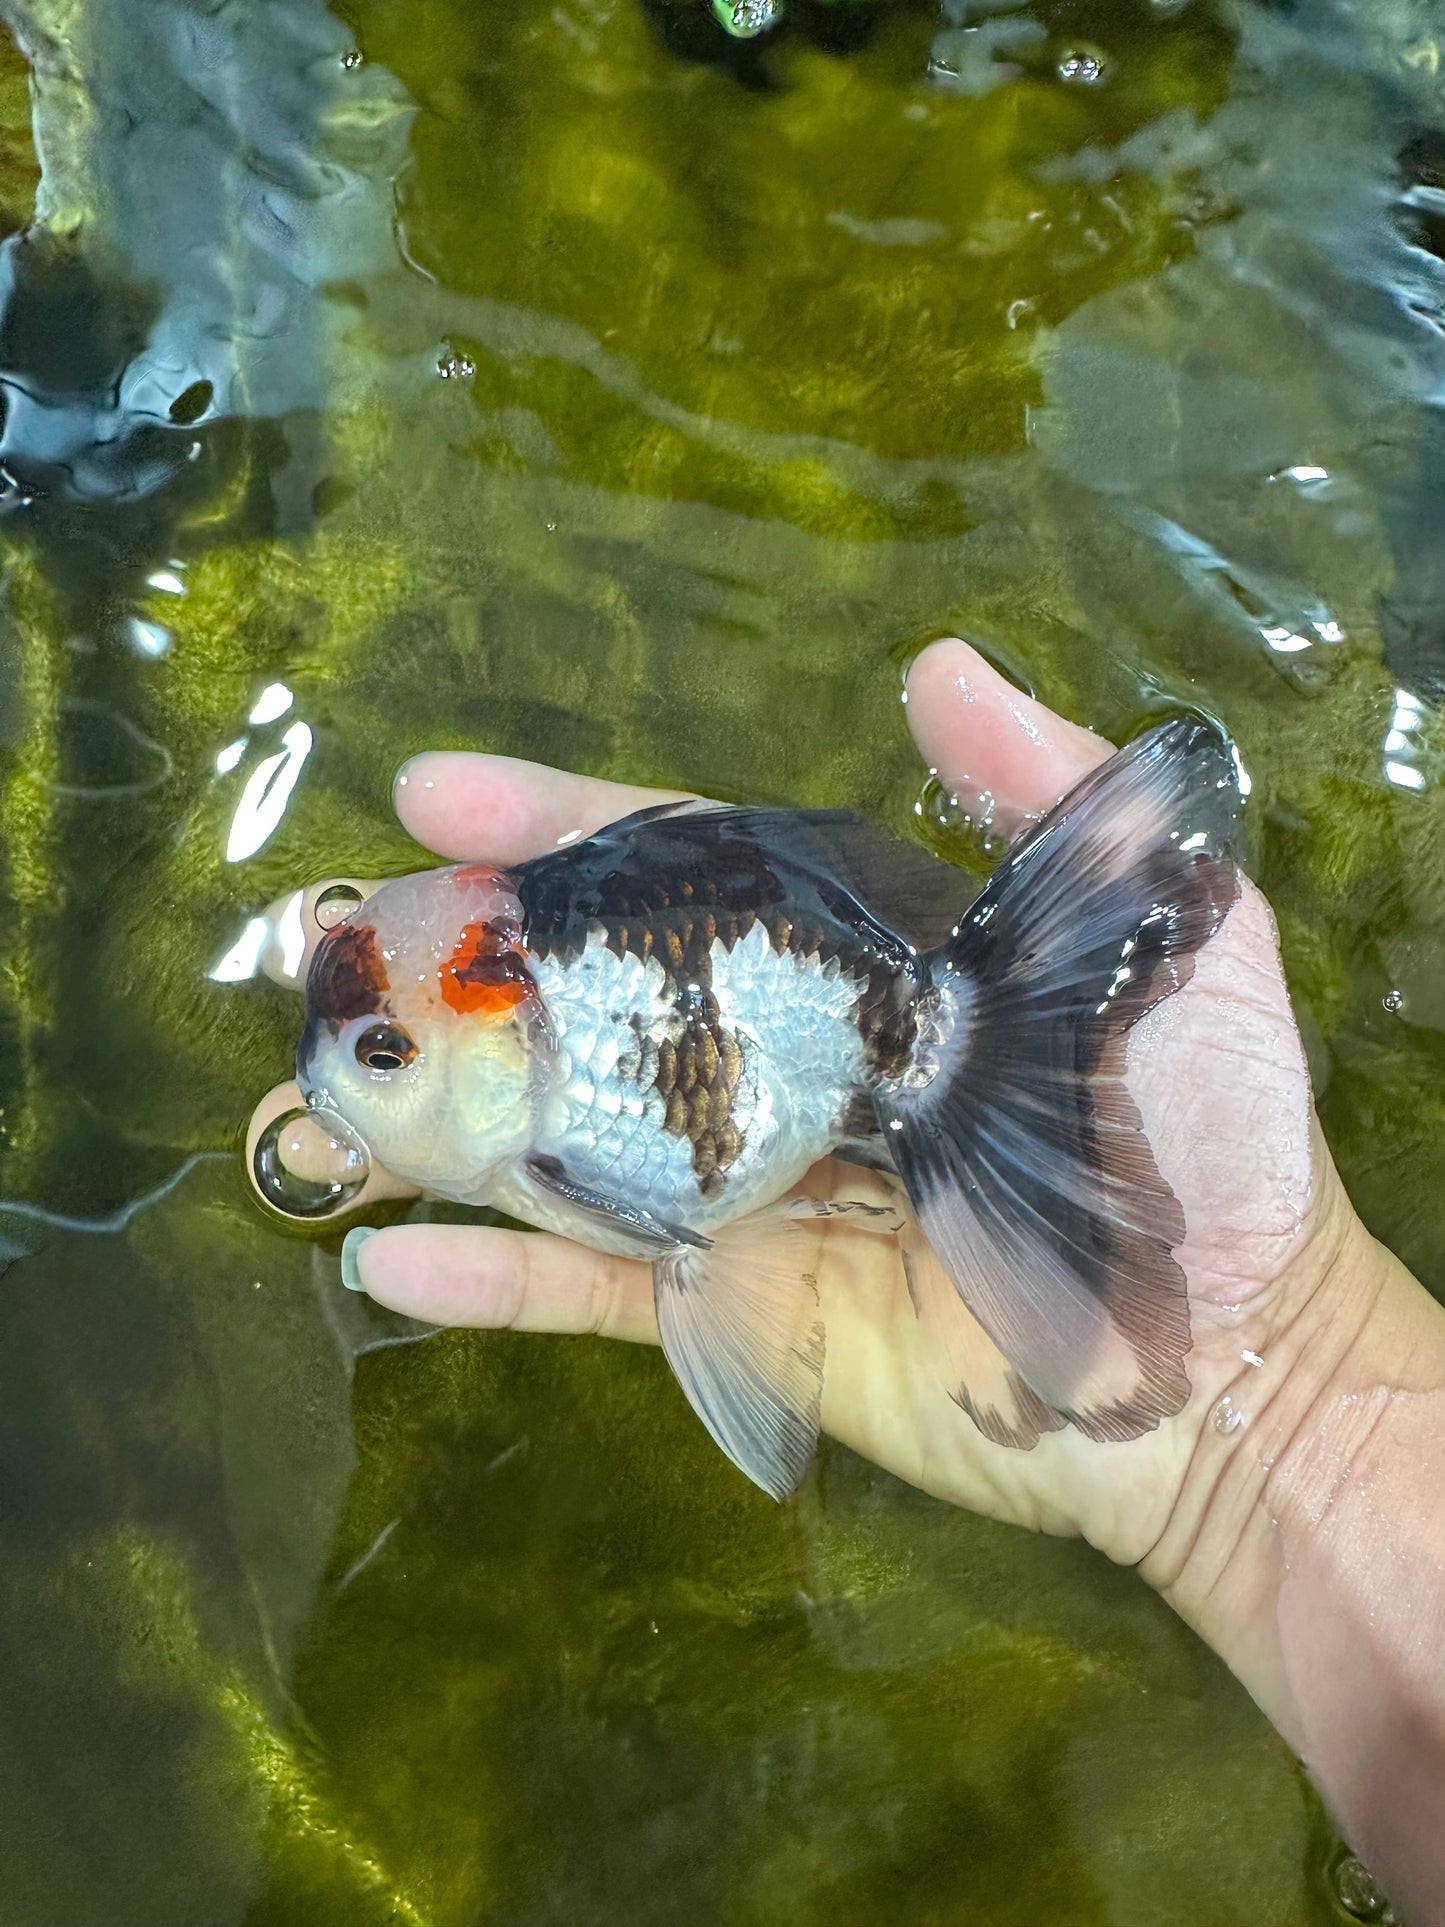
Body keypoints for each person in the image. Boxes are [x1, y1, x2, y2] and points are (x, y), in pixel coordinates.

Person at [294, 638, 1445, 1922]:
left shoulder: (565, 1141)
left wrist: (1273, 1381)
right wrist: (1270, 1400)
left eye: (385, 1056)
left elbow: (693, 1247)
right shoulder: (532, 1084)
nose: (341, 1089)